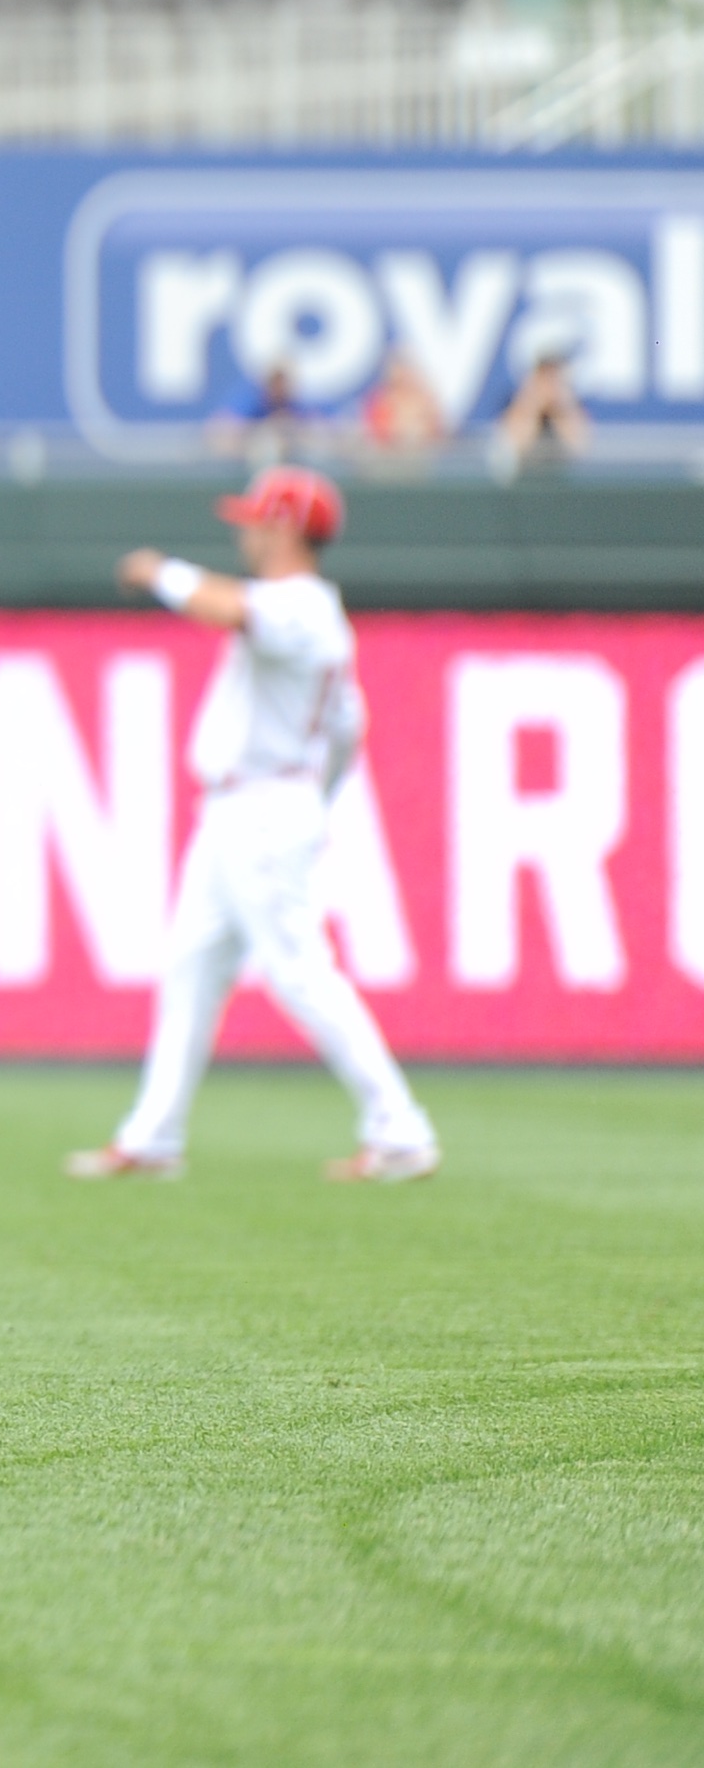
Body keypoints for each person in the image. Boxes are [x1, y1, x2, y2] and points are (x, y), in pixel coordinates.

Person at [69, 467, 437, 1185]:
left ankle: (399, 1128)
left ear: (287, 528)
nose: (244, 530)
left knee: (301, 973)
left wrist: (159, 571)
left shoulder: (299, 605)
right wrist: (313, 800)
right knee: (191, 966)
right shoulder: (309, 613)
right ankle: (153, 1136)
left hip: (263, 806)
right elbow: (348, 729)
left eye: (255, 519)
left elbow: (227, 609)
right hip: (251, 805)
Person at [496, 337, 595, 476]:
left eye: (554, 374)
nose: (549, 382)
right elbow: (516, 446)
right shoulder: (516, 403)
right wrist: (533, 405)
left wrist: (560, 409)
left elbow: (580, 448)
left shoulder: (572, 405)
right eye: (544, 373)